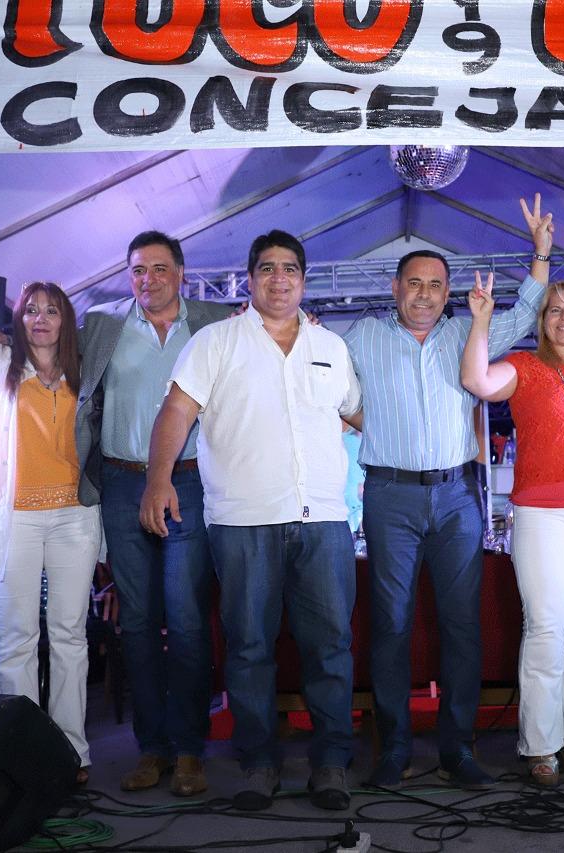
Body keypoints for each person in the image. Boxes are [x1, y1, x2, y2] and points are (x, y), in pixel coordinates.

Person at [139, 230, 362, 812]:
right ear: (250, 279)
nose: (279, 278)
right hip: (241, 522)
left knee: (331, 647)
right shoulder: (215, 342)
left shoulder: (331, 347)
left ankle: (332, 763)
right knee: (249, 647)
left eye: (290, 269)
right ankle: (258, 763)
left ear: (304, 280)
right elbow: (176, 410)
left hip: (323, 521)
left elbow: (356, 411)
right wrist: (158, 479)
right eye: (267, 269)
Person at [343, 197, 550, 790]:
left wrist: (540, 254)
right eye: (415, 283)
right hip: (389, 496)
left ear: (448, 290)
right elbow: (327, 388)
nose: (426, 294)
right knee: (390, 625)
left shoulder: (468, 331)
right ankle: (394, 750)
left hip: (459, 497)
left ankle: (458, 751)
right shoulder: (360, 337)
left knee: (461, 626)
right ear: (395, 287)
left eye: (436, 284)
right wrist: (371, 425)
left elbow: (525, 315)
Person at [0, 202, 102, 781]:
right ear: (19, 318)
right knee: (16, 639)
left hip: (73, 520)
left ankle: (71, 752)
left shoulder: (82, 374)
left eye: (52, 310)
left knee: (68, 635)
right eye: (31, 309)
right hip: (10, 519)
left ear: (66, 320)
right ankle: (22, 753)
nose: (41, 318)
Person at [461, 274, 564, 785]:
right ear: (542, 320)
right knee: (546, 625)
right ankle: (540, 745)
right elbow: (476, 382)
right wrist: (483, 320)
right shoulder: (525, 366)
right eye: (555, 310)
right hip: (541, 511)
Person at [76, 231, 228, 796]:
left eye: (160, 269)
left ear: (182, 273)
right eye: (139, 270)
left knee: (187, 622)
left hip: (190, 485)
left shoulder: (214, 321)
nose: (149, 280)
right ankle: (151, 749)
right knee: (136, 624)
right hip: (120, 482)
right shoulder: (101, 325)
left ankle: (190, 751)